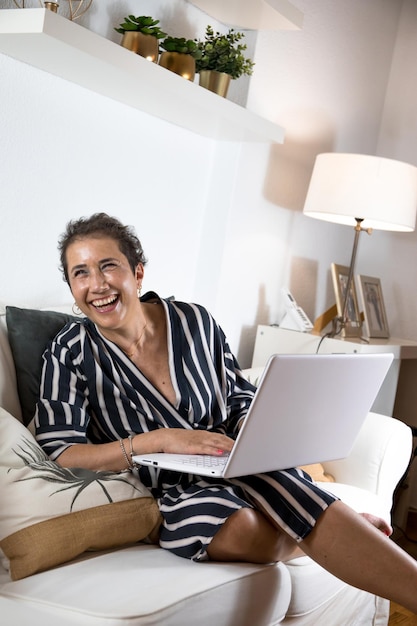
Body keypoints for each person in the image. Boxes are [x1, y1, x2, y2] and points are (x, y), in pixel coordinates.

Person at [34, 212, 417, 613]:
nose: (97, 285)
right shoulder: (69, 352)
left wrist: (265, 433)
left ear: (138, 272)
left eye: (107, 265)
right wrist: (160, 440)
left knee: (279, 484)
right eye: (80, 273)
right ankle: (337, 524)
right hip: (172, 493)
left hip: (239, 463)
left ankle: (341, 532)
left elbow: (237, 398)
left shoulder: (194, 321)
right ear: (72, 287)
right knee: (251, 532)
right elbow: (63, 451)